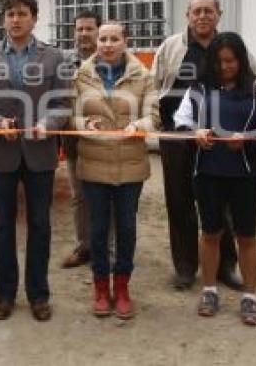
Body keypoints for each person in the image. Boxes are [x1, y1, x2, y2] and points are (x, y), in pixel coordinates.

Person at [0, 0, 70, 322]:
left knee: (40, 225)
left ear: (34, 18)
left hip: (40, 152)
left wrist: (48, 124)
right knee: (2, 227)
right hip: (2, 153)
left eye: (22, 13)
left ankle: (39, 294)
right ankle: (4, 294)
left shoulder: (55, 57)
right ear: (3, 19)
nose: (16, 19)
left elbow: (63, 105)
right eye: (10, 13)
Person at [173, 32, 256, 326]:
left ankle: (250, 296)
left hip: (245, 175)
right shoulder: (198, 88)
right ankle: (209, 290)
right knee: (210, 234)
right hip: (207, 173)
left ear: (241, 59)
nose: (224, 67)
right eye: (219, 62)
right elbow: (181, 123)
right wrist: (195, 134)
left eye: (230, 61)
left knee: (246, 236)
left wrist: (247, 139)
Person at [152, 0, 247, 291]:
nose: (203, 16)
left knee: (223, 204)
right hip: (177, 136)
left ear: (219, 14)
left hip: (220, 138)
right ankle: (185, 267)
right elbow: (154, 87)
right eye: (197, 11)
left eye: (208, 11)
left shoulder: (233, 45)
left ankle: (225, 266)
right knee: (179, 202)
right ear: (187, 15)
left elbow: (255, 81)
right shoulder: (171, 46)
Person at [72, 21, 159, 319]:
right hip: (93, 162)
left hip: (130, 164)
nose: (107, 44)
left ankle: (122, 288)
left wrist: (139, 126)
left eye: (114, 39)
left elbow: (155, 114)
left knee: (126, 228)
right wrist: (85, 125)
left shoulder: (144, 76)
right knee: (97, 230)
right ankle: (100, 288)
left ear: (125, 41)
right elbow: (71, 115)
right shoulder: (81, 75)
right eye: (103, 39)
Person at [61, 10, 100, 269]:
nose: (84, 34)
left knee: (106, 196)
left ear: (99, 31)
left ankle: (107, 249)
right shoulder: (63, 62)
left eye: (89, 29)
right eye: (79, 29)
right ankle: (84, 246)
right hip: (74, 141)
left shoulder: (109, 58)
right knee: (79, 197)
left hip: (105, 142)